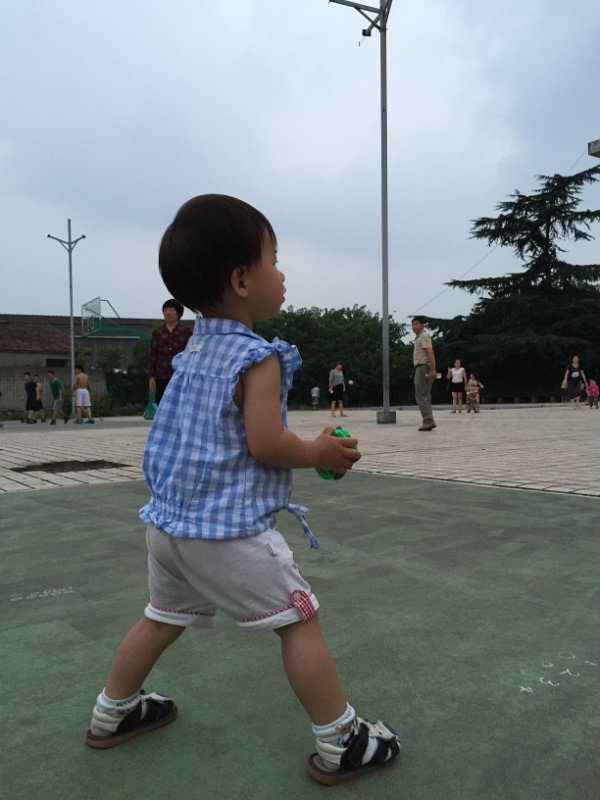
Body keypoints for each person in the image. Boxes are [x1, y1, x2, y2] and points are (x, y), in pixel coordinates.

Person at [84, 194, 400, 785]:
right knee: (298, 620)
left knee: (161, 617)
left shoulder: (192, 349)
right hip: (226, 535)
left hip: (167, 527)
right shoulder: (259, 358)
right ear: (241, 281)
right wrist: (318, 452)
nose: (282, 274)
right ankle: (341, 741)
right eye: (273, 261)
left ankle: (113, 711)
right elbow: (266, 443)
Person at [148, 299, 192, 404]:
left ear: (178, 313)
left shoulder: (187, 331)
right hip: (161, 376)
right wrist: (151, 377)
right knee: (162, 404)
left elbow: (191, 353)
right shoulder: (158, 332)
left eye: (171, 310)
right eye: (165, 310)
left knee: (180, 404)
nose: (167, 313)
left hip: (181, 375)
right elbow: (153, 354)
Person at [411, 316, 437, 431]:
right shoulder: (419, 337)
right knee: (425, 396)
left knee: (421, 395)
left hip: (423, 367)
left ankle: (428, 421)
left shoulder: (424, 336)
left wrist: (433, 370)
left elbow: (430, 353)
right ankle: (428, 421)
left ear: (422, 325)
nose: (414, 326)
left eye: (416, 324)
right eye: (412, 324)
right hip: (422, 367)